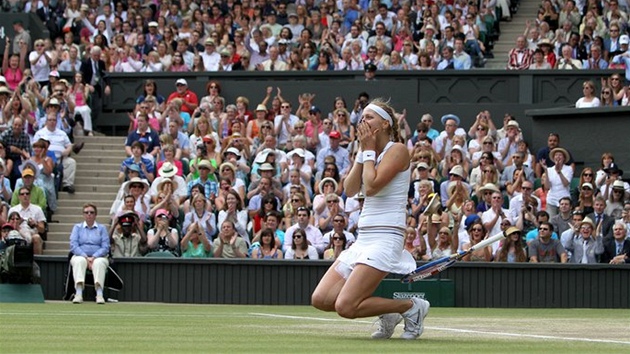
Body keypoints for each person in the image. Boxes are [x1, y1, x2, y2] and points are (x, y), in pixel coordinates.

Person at [311, 99, 430, 340]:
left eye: (369, 117)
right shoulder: (367, 153)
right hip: (364, 238)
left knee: (346, 307)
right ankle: (387, 313)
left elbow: (373, 186)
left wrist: (367, 151)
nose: (362, 121)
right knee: (321, 299)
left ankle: (409, 307)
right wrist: (363, 152)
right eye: (362, 118)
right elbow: (352, 189)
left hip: (386, 237)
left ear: (386, 124)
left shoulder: (397, 150)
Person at [69, 203, 110, 304]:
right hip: (81, 255)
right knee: (79, 261)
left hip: (99, 256)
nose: (89, 215)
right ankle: (78, 294)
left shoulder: (102, 228)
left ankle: (99, 294)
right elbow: (73, 245)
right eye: (86, 212)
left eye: (92, 212)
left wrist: (94, 257)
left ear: (95, 215)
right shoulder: (77, 227)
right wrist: (86, 257)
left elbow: (105, 247)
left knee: (99, 263)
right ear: (83, 215)